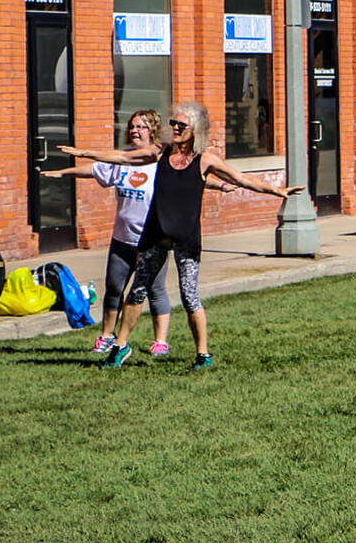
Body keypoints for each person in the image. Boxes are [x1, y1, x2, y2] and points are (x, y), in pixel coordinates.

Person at [58, 100, 305, 370]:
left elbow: (241, 178)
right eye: (173, 123)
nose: (174, 128)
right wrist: (83, 152)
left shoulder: (204, 160)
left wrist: (276, 192)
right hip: (156, 234)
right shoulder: (160, 152)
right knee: (137, 291)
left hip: (186, 237)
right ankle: (120, 346)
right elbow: (122, 157)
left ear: (195, 129)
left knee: (190, 295)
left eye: (181, 125)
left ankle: (203, 354)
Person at [42, 109, 174, 356]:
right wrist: (63, 173)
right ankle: (106, 336)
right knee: (114, 288)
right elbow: (94, 170)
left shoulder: (161, 161)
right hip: (122, 239)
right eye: (132, 126)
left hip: (153, 240)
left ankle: (160, 341)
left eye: (141, 127)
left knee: (155, 290)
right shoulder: (121, 160)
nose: (134, 131)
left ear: (152, 130)